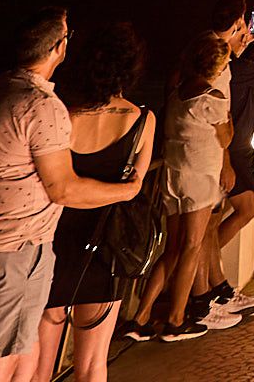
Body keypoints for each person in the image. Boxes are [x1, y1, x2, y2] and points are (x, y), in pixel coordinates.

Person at [0, 8, 140, 382]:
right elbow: (63, 187)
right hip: (14, 250)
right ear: (58, 48)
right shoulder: (43, 106)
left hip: (11, 246)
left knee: (22, 358)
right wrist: (128, 190)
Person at [33, 23, 155, 382]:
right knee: (91, 365)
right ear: (130, 66)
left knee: (41, 368)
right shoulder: (141, 119)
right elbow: (135, 183)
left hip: (55, 242)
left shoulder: (64, 116)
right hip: (103, 248)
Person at [130, 33, 233, 342]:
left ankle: (141, 317)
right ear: (216, 65)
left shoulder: (176, 95)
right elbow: (226, 138)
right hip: (199, 178)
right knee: (191, 246)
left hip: (172, 178)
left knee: (172, 249)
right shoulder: (212, 98)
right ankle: (176, 320)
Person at [197, 0, 254, 321]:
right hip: (211, 156)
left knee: (206, 230)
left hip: (214, 154)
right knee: (200, 234)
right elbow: (216, 114)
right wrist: (226, 160)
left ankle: (217, 292)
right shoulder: (215, 56)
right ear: (239, 21)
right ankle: (202, 302)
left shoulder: (218, 53)